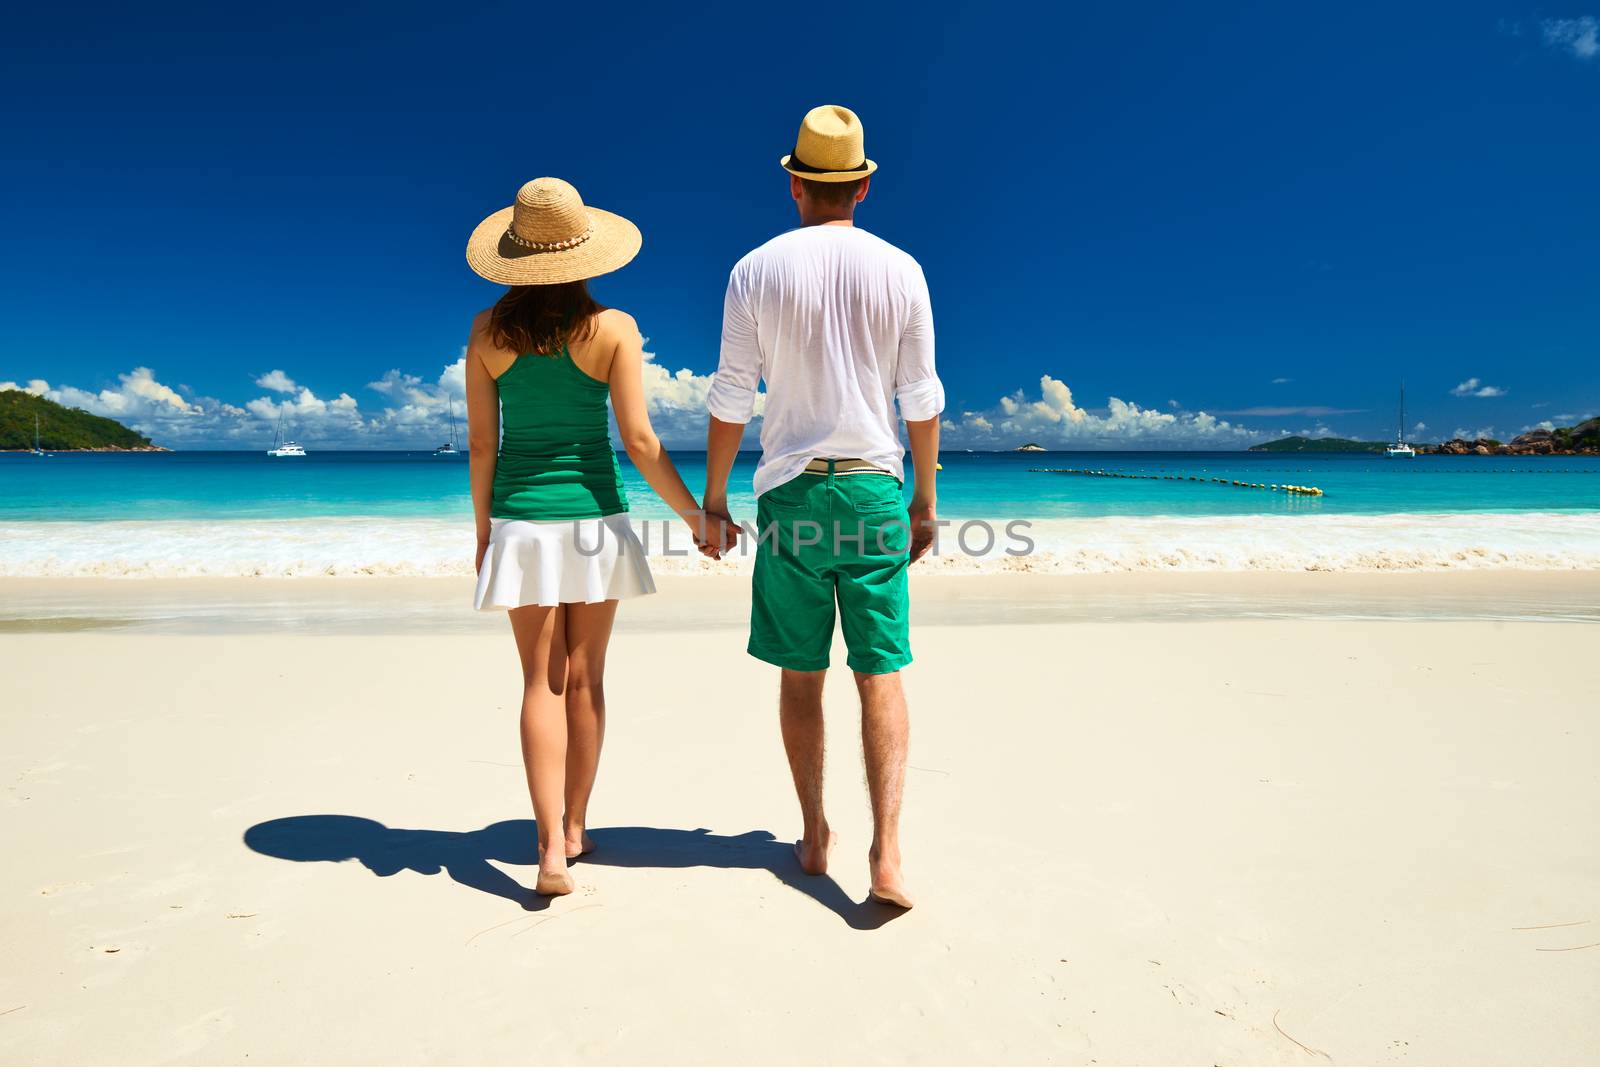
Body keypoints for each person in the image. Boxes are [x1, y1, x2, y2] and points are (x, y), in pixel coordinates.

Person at [464, 177, 735, 896]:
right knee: (585, 678)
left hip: (523, 520)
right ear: (585, 254)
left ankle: (548, 845)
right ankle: (578, 825)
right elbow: (640, 441)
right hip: (595, 524)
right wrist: (697, 519)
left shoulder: (487, 331)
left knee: (537, 682)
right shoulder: (613, 328)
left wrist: (485, 531)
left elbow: (482, 448)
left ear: (517, 256)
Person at [702, 106, 943, 909]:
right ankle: (890, 853)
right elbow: (921, 398)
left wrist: (711, 497)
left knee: (801, 674)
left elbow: (733, 396)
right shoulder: (903, 269)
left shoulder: (754, 270)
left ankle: (813, 833)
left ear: (795, 183)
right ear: (864, 184)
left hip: (793, 495)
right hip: (874, 487)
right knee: (881, 672)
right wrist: (926, 498)